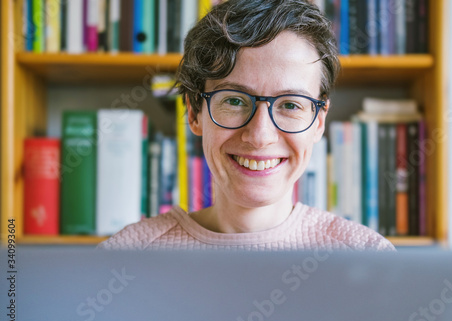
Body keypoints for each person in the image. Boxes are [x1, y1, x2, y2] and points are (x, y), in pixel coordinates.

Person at [98, 0, 395, 251]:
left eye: (290, 104)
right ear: (194, 113)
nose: (259, 136)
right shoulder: (126, 257)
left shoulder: (369, 257)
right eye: (235, 101)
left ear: (318, 121)